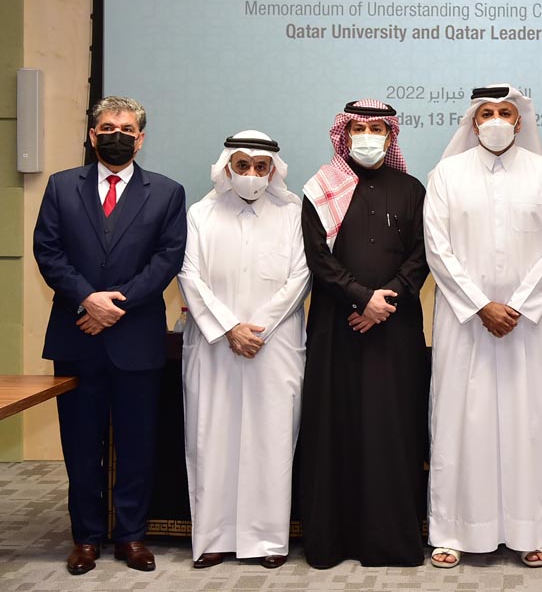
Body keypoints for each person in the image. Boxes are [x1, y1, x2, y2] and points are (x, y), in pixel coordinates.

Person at [33, 96, 186, 575]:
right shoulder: (61, 187)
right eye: (106, 126)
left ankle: (132, 536)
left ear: (140, 139)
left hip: (135, 336)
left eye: (126, 128)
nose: (115, 134)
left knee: (138, 442)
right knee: (81, 443)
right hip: (77, 335)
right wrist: (89, 300)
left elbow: (167, 259)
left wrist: (114, 304)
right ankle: (85, 537)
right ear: (92, 134)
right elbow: (48, 251)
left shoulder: (167, 192)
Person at [423, 84, 542, 569]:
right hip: (465, 323)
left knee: (530, 423)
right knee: (460, 423)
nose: (495, 120)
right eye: (485, 113)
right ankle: (453, 531)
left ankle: (530, 531)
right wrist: (481, 305)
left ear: (520, 120)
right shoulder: (446, 174)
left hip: (528, 325)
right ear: (471, 121)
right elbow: (437, 248)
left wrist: (519, 305)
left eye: (504, 112)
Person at [297, 99, 430, 568]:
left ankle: (390, 540)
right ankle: (332, 541)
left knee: (391, 429)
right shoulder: (320, 188)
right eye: (360, 128)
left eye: (378, 128)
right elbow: (316, 257)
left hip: (395, 330)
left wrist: (384, 301)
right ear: (344, 134)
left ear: (391, 137)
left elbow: (422, 255)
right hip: (337, 326)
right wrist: (359, 297)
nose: (369, 136)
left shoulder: (412, 188)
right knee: (335, 429)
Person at [177, 131, 310, 570]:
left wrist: (259, 328)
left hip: (275, 348)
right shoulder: (201, 213)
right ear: (226, 167)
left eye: (260, 167)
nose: (251, 175)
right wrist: (231, 327)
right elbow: (189, 275)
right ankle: (213, 537)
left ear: (273, 170)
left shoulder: (292, 214)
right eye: (242, 165)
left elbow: (300, 277)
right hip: (214, 346)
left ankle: (267, 539)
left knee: (271, 440)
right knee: (210, 438)